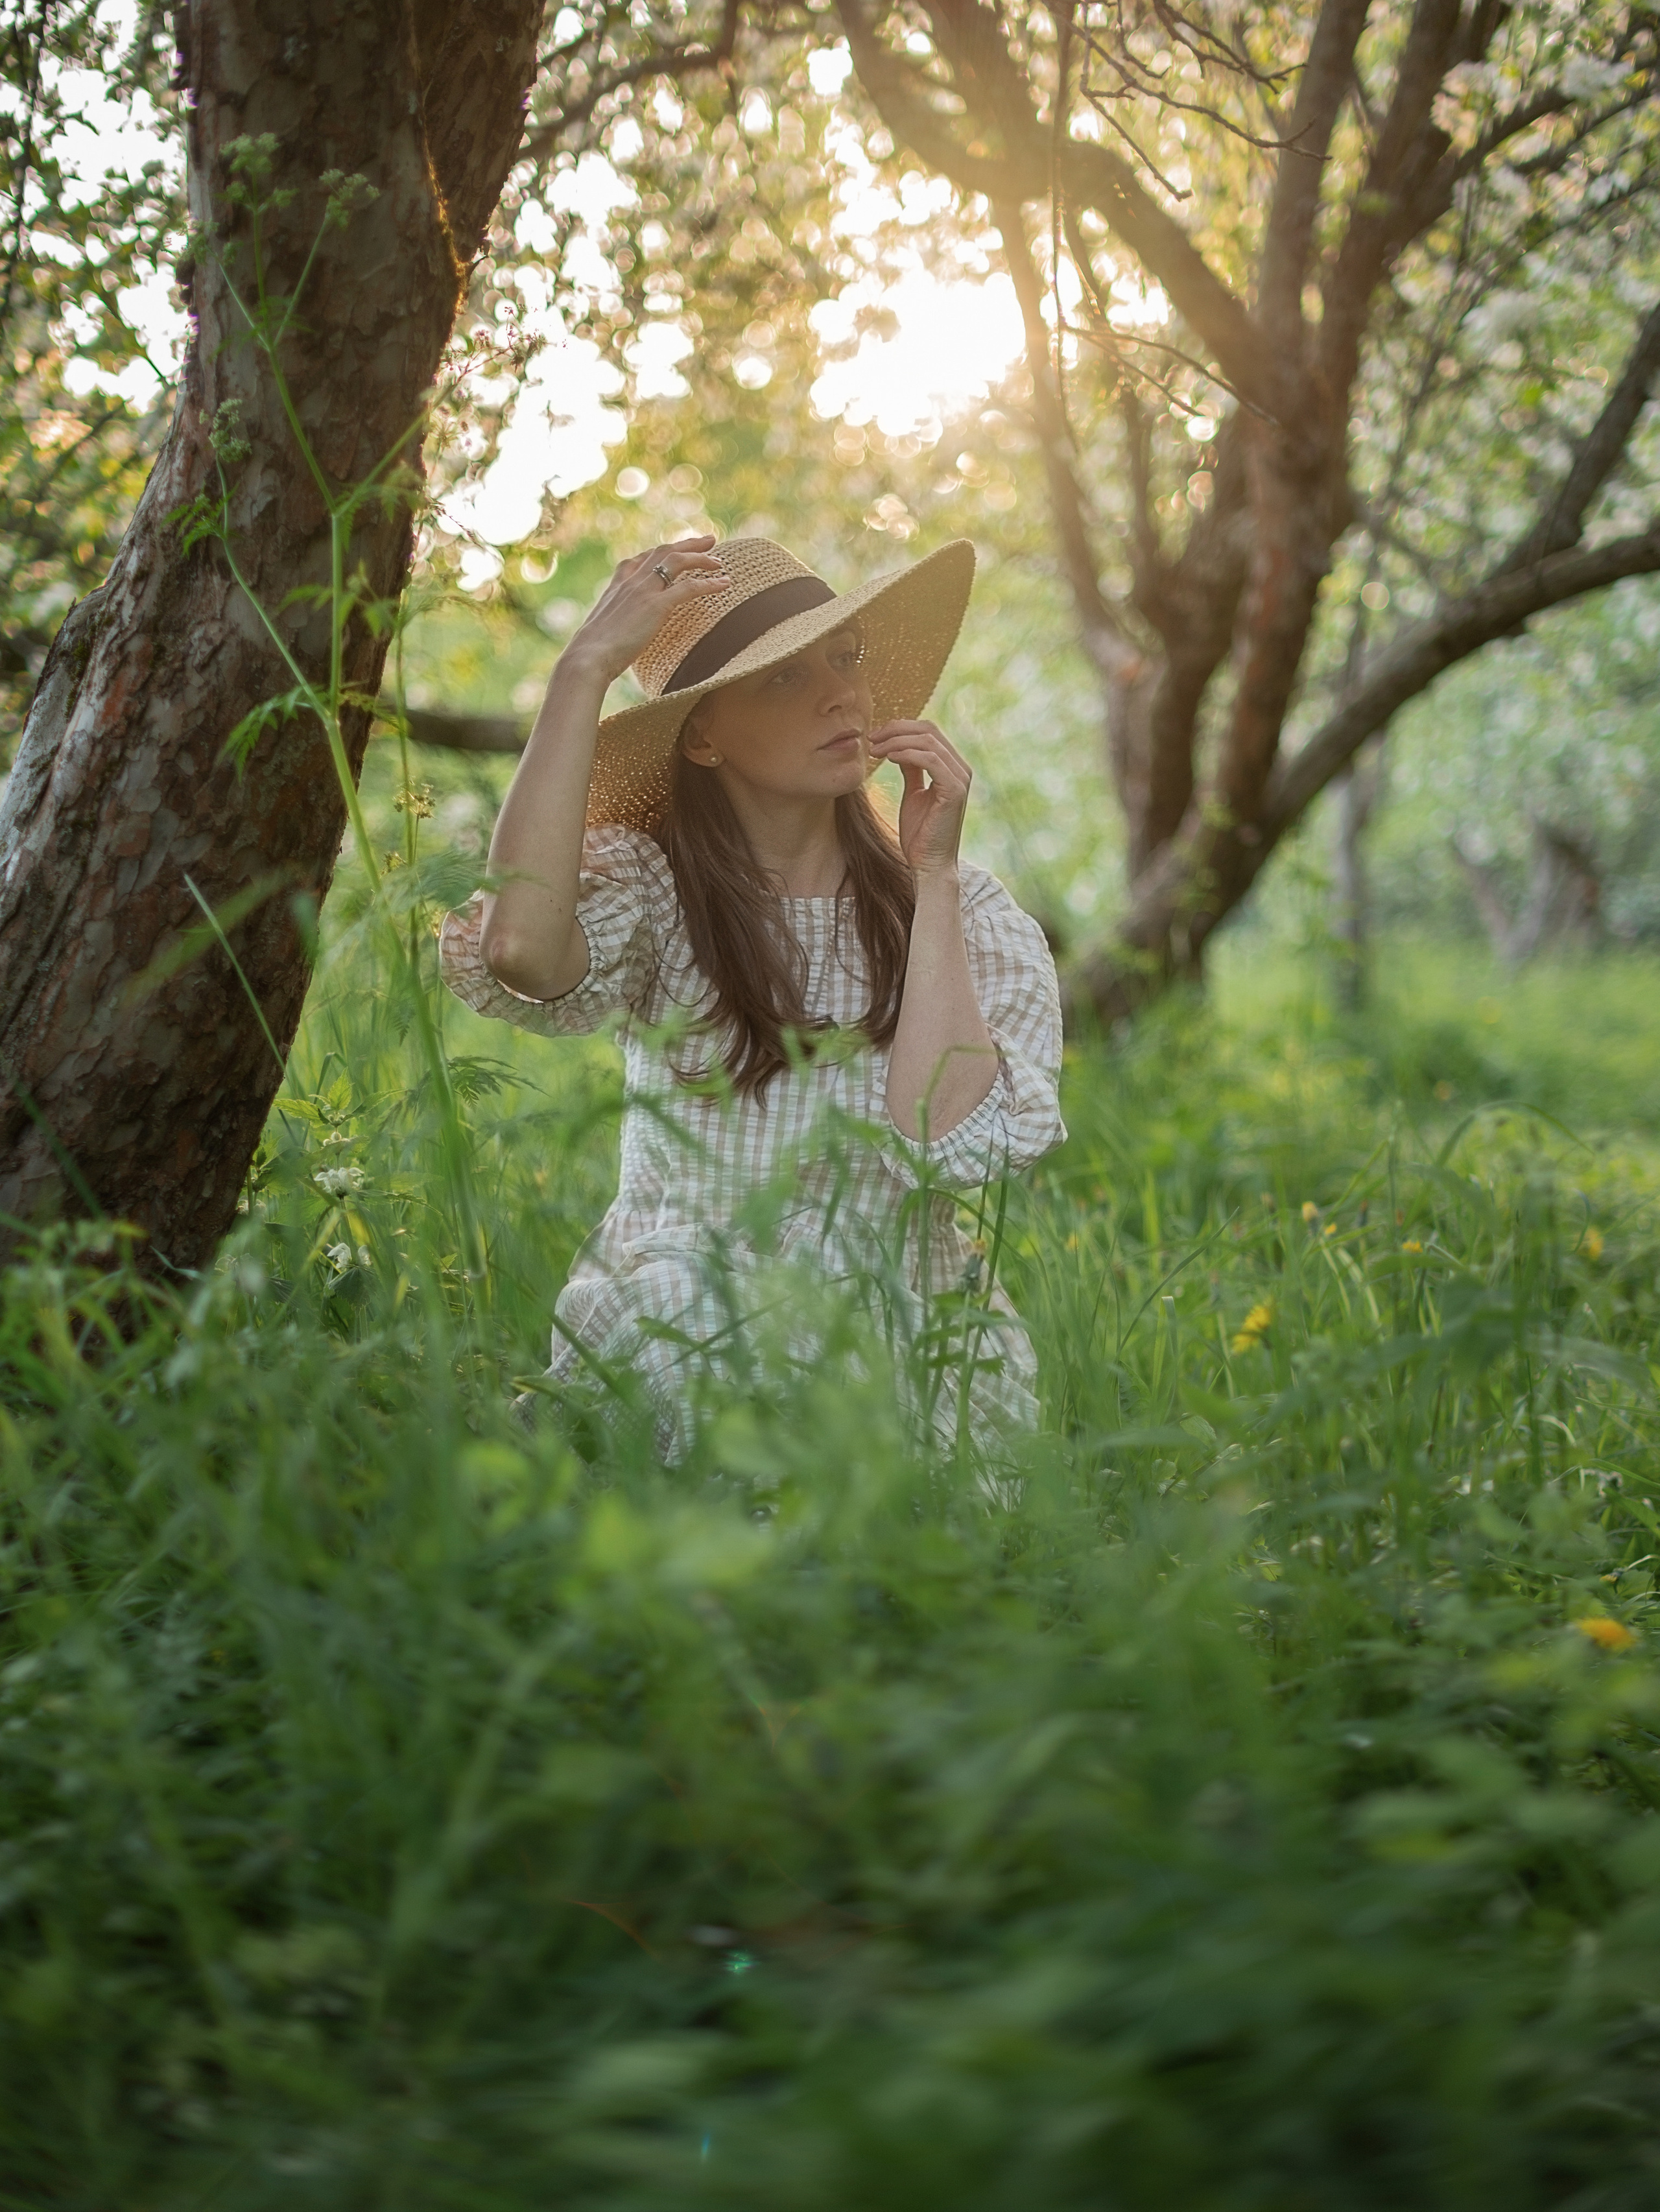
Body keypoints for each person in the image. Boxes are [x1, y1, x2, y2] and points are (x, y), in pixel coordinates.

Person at [438, 532, 1065, 1459]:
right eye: (781, 677)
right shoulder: (654, 890)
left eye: (843, 658)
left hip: (899, 1325)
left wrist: (931, 876)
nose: (840, 693)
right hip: (687, 1310)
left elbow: (951, 1147)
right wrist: (582, 673)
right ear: (702, 734)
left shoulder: (966, 916)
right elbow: (521, 948)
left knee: (841, 1396)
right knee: (733, 1348)